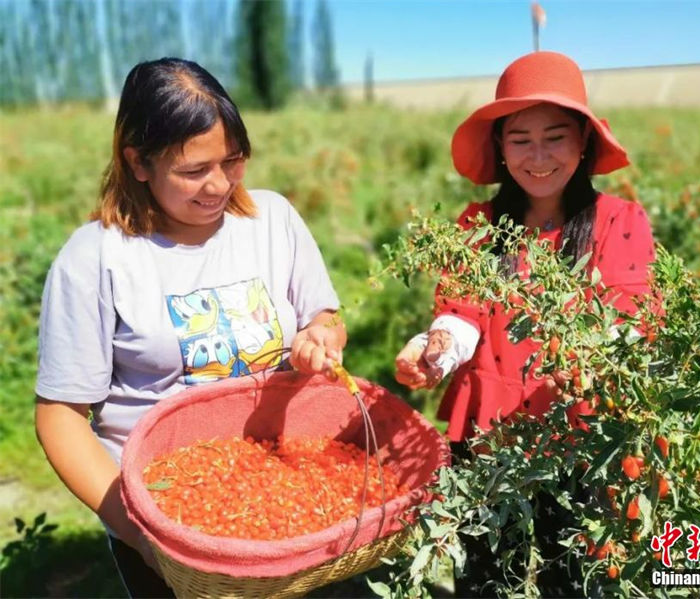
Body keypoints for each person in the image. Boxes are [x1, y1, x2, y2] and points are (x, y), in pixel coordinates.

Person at [34, 58, 345, 598]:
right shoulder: (97, 258)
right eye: (194, 170)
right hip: (164, 509)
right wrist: (143, 534)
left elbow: (324, 316)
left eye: (233, 161)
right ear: (138, 162)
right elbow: (60, 416)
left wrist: (320, 337)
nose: (219, 185)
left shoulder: (271, 221)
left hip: (278, 493)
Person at [395, 51, 656, 597]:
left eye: (555, 136)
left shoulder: (618, 222)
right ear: (501, 148)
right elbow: (461, 314)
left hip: (579, 435)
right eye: (520, 140)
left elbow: (628, 321)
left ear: (583, 141)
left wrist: (591, 364)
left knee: (575, 571)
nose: (538, 156)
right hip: (489, 434)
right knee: (485, 571)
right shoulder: (478, 225)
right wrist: (434, 350)